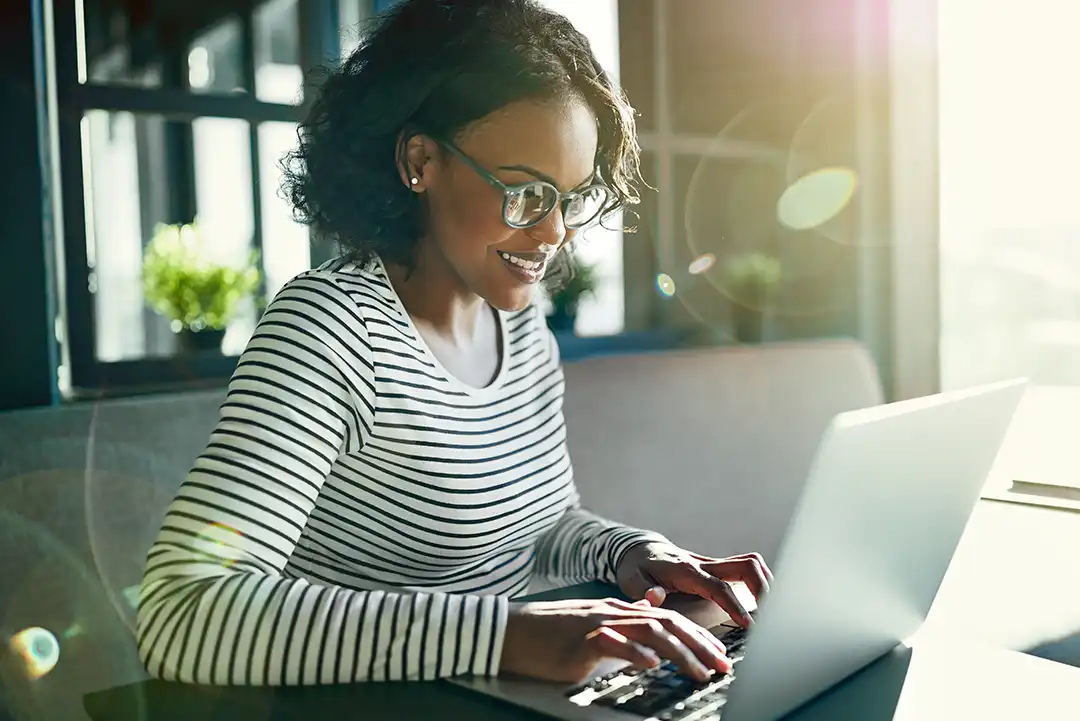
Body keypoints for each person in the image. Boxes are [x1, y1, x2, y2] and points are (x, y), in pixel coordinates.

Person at [136, 0, 773, 687]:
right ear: (421, 161)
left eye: (570, 196)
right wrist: (506, 634)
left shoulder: (520, 327)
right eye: (526, 193)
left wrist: (634, 553)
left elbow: (539, 524)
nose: (555, 231)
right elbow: (181, 608)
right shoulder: (330, 330)